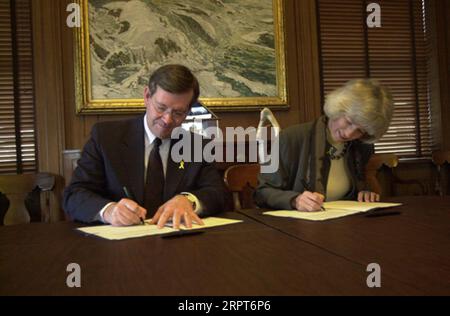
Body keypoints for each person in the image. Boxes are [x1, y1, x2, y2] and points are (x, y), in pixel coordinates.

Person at [64, 64, 225, 227]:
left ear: (189, 109)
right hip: (120, 244)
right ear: (147, 96)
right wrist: (109, 211)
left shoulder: (197, 146)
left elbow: (217, 193)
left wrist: (188, 200)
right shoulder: (106, 138)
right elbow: (75, 194)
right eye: (161, 108)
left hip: (178, 240)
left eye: (178, 113)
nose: (167, 120)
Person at [254, 79, 393, 212]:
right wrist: (295, 200)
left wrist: (365, 194)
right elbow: (262, 192)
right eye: (349, 122)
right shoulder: (291, 138)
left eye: (360, 130)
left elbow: (358, 185)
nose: (350, 134)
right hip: (297, 228)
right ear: (338, 108)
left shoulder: (361, 147)